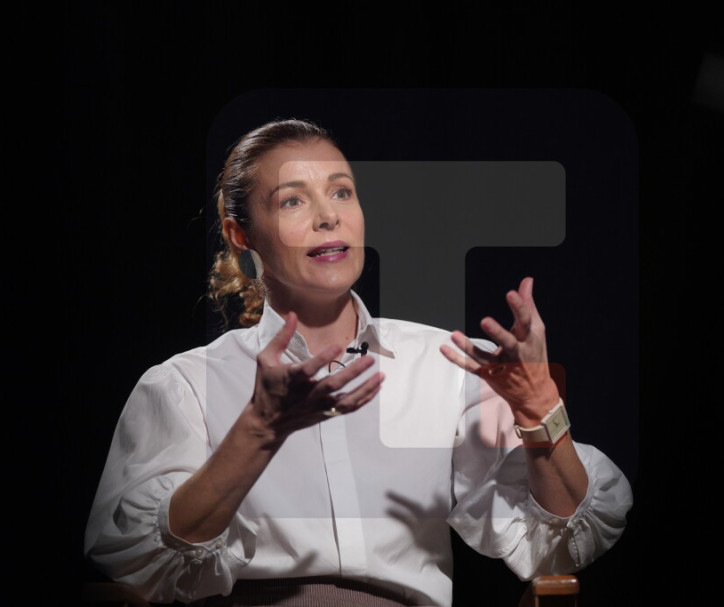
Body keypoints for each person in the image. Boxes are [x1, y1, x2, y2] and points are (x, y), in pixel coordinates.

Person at [84, 118, 633, 606]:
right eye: (293, 201)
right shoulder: (185, 385)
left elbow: (561, 547)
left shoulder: (446, 366)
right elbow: (141, 567)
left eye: (341, 192)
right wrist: (256, 433)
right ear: (240, 235)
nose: (329, 217)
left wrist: (541, 411)